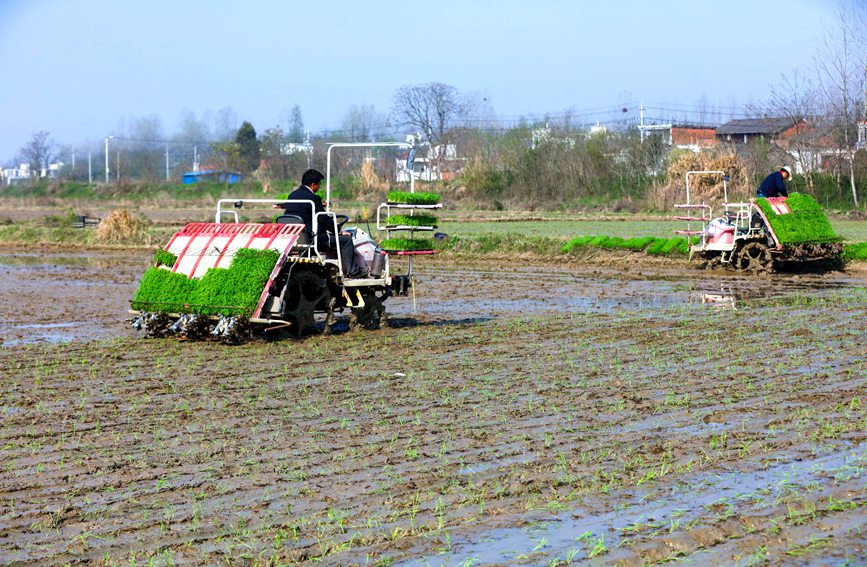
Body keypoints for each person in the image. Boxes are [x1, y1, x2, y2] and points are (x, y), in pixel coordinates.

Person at [276, 169, 367, 277]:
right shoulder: (313, 198)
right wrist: (338, 231)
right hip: (312, 239)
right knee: (346, 241)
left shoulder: (292, 196)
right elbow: (324, 219)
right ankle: (353, 272)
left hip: (295, 238)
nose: (319, 187)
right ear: (313, 184)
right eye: (319, 184)